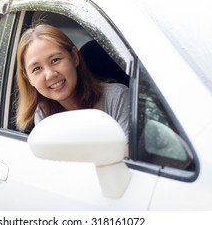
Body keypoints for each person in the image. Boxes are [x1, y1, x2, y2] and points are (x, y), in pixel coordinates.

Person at [15, 24, 130, 153]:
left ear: (74, 57)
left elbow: (127, 161)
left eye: (55, 60)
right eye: (37, 69)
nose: (50, 74)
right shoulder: (43, 112)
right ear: (29, 79)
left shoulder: (117, 97)